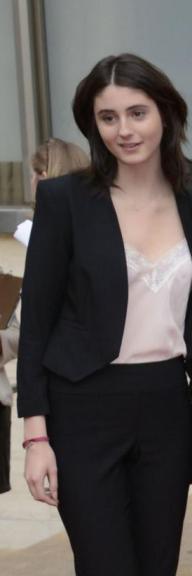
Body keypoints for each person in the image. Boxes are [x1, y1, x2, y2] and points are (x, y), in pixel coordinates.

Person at [17, 54, 192, 575]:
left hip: (166, 406)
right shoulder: (65, 200)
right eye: (108, 117)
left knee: (158, 565)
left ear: (165, 113)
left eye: (137, 113)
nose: (125, 130)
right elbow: (37, 328)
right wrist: (36, 437)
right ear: (92, 125)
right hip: (83, 409)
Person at [0, 138, 89, 496]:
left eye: (38, 173)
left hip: (80, 393)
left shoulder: (84, 238)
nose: (33, 181)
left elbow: (33, 329)